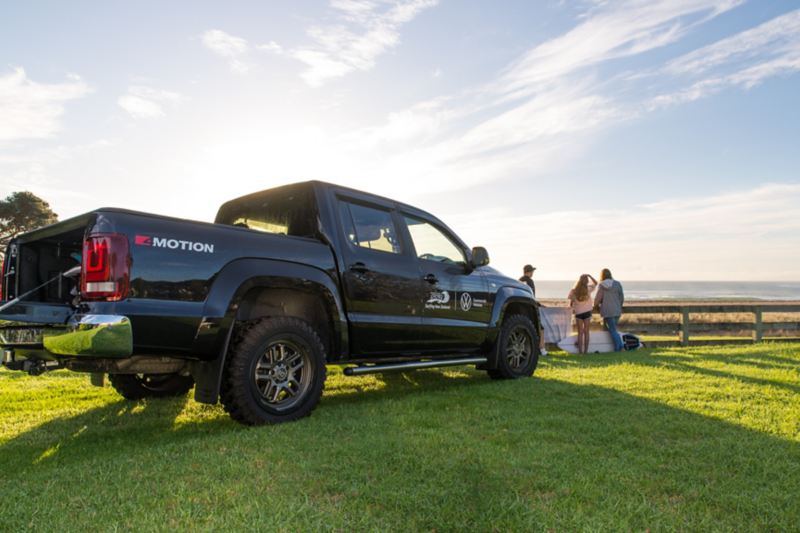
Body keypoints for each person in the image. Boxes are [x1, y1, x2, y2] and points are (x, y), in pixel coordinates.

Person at [594, 268, 625, 352]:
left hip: (607, 311)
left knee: (612, 330)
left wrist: (595, 305)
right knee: (613, 330)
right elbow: (621, 298)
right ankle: (616, 348)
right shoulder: (617, 284)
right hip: (617, 310)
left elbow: (597, 299)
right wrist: (619, 306)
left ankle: (620, 347)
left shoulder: (601, 285)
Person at [519, 264, 546, 355]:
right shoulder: (530, 281)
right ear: (529, 272)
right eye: (532, 271)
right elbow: (531, 297)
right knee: (540, 328)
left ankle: (525, 349)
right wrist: (537, 304)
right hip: (529, 308)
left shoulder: (519, 280)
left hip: (520, 308)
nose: (533, 273)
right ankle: (541, 349)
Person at [567, 274, 597, 354]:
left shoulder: (574, 291)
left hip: (578, 313)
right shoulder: (588, 289)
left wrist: (572, 305)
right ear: (587, 281)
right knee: (586, 332)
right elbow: (596, 283)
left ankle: (580, 352)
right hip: (587, 312)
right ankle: (585, 351)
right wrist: (590, 276)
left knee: (580, 333)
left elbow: (570, 301)